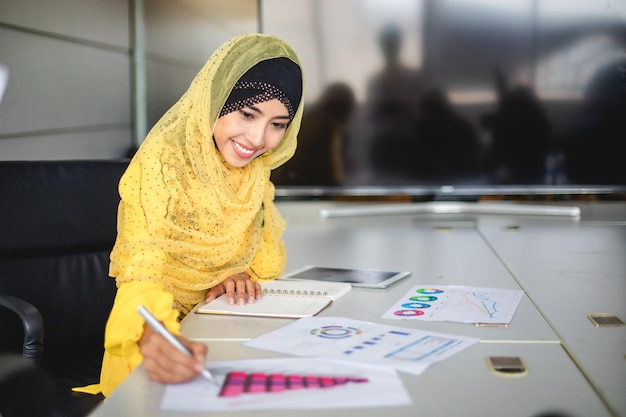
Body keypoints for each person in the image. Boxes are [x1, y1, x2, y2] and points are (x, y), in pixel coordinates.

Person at [74, 33, 304, 397]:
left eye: (278, 124)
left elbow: (262, 257)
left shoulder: (254, 172)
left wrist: (238, 274)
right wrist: (152, 336)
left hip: (224, 325)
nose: (258, 137)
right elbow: (140, 265)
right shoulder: (163, 162)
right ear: (213, 101)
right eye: (247, 113)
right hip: (160, 345)